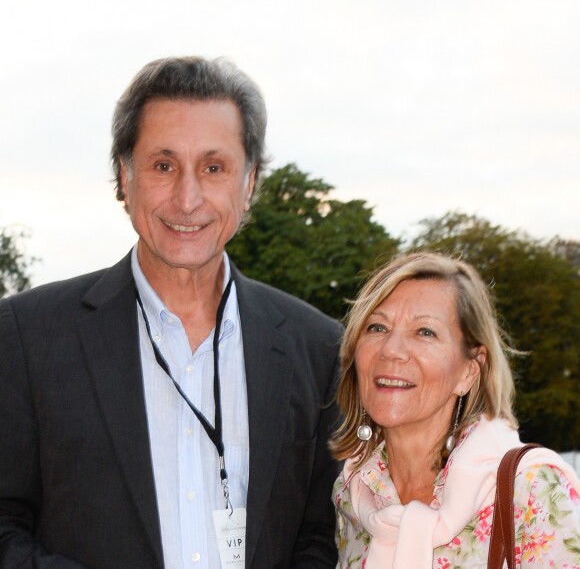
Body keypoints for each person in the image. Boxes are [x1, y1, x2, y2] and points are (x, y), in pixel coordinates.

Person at [0, 56, 342, 568]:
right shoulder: (26, 336)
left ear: (248, 183)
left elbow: (321, 530)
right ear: (125, 177)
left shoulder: (318, 348)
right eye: (163, 165)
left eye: (213, 167)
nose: (188, 199)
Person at [329, 252, 580, 568]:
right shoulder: (351, 491)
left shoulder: (532, 488)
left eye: (425, 332)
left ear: (469, 371)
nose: (391, 350)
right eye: (377, 327)